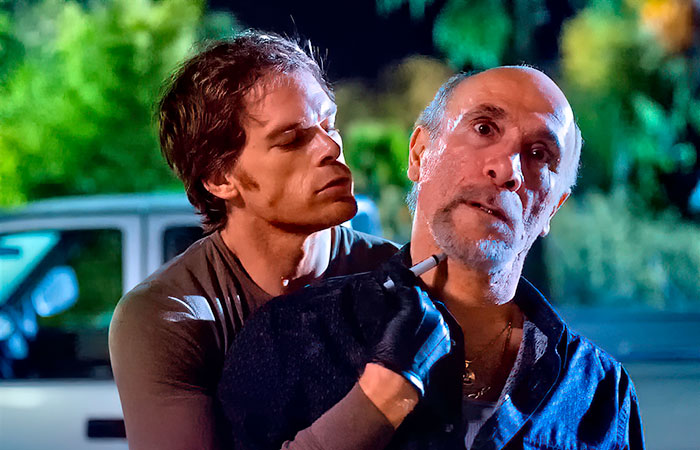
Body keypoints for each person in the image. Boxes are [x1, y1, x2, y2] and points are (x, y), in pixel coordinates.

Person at [217, 66, 645, 449]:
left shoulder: (601, 392)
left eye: (538, 155)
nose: (507, 170)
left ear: (553, 208)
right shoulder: (291, 335)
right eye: (483, 128)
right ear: (420, 153)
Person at [108, 31, 403, 450]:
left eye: (329, 124)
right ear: (220, 179)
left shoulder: (396, 276)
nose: (330, 148)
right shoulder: (169, 316)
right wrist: (382, 398)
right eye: (292, 140)